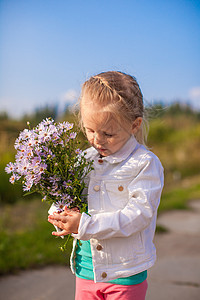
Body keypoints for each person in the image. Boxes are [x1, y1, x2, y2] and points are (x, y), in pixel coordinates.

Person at [48, 71, 164, 300]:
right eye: (90, 130)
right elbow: (71, 197)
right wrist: (59, 212)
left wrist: (86, 225)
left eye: (108, 133)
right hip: (85, 271)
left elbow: (139, 215)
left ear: (134, 125)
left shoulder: (144, 164)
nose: (97, 140)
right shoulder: (85, 158)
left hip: (125, 274)